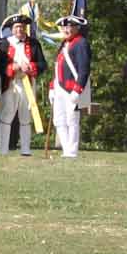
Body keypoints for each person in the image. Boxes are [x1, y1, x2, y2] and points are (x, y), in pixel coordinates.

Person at [0, 13, 43, 156]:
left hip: (28, 84)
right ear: (12, 28)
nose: (20, 30)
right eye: (17, 27)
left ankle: (25, 149)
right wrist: (13, 67)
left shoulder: (34, 43)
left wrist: (31, 67)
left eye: (22, 27)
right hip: (10, 84)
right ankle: (3, 149)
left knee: (25, 117)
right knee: (6, 115)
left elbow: (42, 64)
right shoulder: (4, 43)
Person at [49, 14, 91, 158]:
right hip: (60, 87)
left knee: (72, 120)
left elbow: (84, 69)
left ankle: (72, 151)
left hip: (71, 88)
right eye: (64, 27)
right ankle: (66, 149)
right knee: (59, 120)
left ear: (77, 28)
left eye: (69, 26)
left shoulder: (81, 43)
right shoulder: (64, 43)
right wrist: (52, 87)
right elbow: (57, 67)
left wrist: (77, 90)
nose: (66, 29)